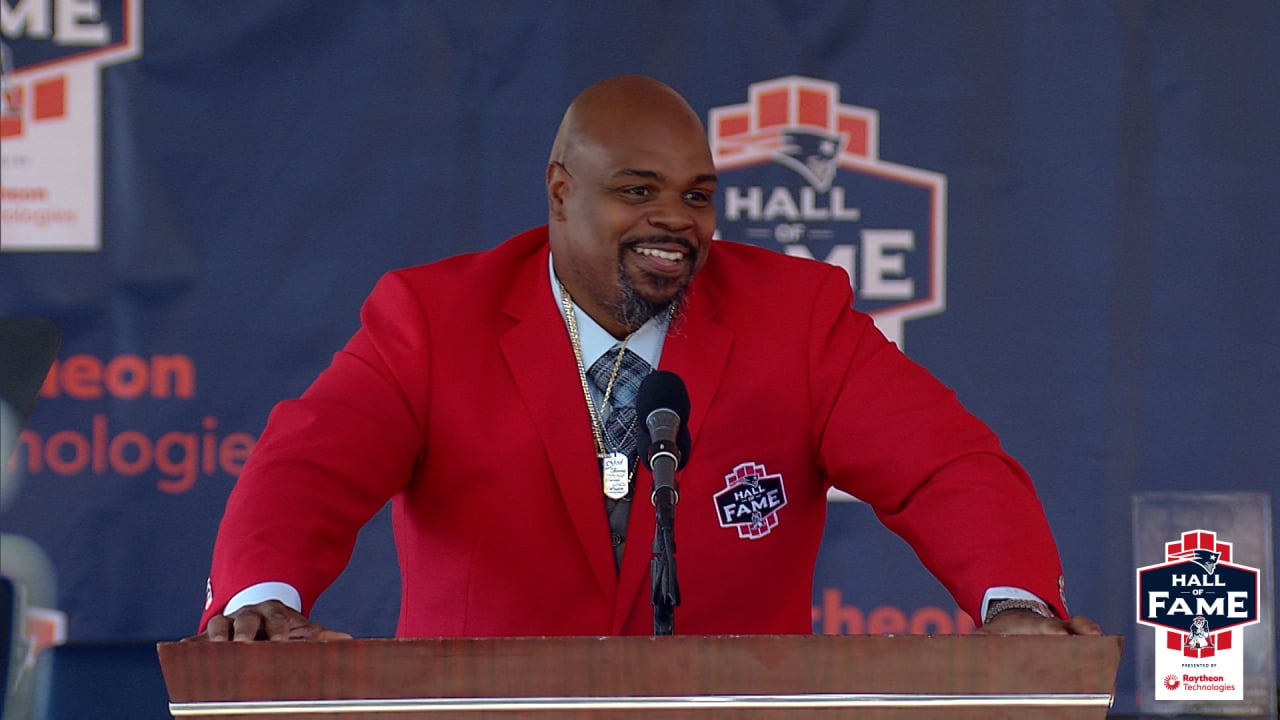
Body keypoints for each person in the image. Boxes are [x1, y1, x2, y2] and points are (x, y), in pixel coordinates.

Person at [199, 75, 1100, 642]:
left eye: (698, 195)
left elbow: (945, 464)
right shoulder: (433, 320)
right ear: (560, 191)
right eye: (639, 192)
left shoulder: (797, 316)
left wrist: (1014, 602)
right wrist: (262, 596)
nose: (678, 220)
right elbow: (309, 465)